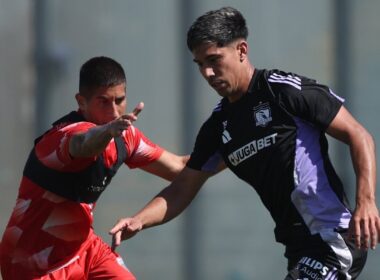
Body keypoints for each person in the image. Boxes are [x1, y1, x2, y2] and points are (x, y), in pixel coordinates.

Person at [109, 7, 380, 280]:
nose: (207, 72)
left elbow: (359, 135)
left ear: (241, 50)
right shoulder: (217, 127)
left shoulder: (283, 92)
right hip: (298, 248)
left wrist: (366, 201)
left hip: (333, 238)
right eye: (200, 64)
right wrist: (139, 220)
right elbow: (182, 187)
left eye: (214, 59)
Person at [0, 56, 188, 280]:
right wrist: (107, 132)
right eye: (103, 102)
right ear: (81, 102)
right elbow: (84, 144)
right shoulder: (63, 136)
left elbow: (180, 168)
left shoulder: (125, 136)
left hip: (85, 249)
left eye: (119, 100)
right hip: (33, 264)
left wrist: (231, 146)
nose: (115, 112)